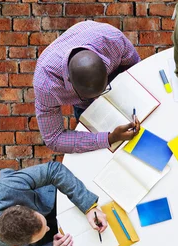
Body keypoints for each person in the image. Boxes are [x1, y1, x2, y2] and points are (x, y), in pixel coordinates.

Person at [33, 20, 141, 154]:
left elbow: (137, 71)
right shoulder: (46, 84)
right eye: (91, 96)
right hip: (84, 106)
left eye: (101, 91)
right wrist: (109, 138)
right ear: (69, 82)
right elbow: (54, 138)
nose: (99, 100)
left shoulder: (113, 41)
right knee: (106, 153)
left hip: (116, 80)